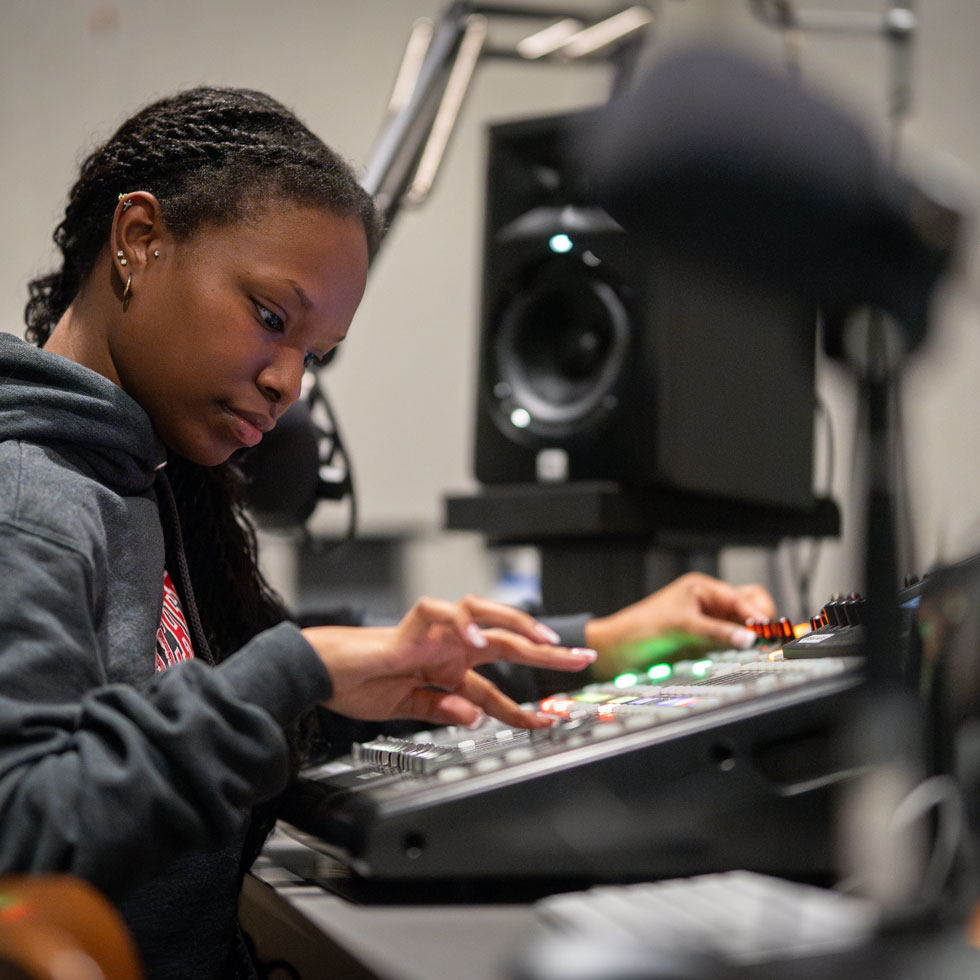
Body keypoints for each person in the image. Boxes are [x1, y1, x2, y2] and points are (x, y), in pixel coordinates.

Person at [0, 86, 775, 979]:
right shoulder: (35, 504)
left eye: (315, 356)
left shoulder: (138, 480)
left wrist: (591, 644)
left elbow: (227, 713)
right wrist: (299, 668)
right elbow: (23, 830)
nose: (288, 384)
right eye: (270, 317)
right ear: (139, 239)